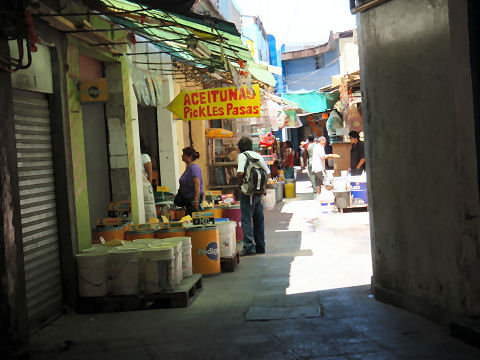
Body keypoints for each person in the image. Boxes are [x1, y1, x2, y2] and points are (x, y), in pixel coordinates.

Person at [237, 137, 270, 256]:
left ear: (240, 147)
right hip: (258, 193)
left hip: (247, 193)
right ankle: (261, 246)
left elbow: (240, 172)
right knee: (258, 220)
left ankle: (249, 246)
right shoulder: (257, 155)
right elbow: (268, 173)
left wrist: (241, 187)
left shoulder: (242, 156)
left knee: (246, 219)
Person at [179, 146, 204, 216]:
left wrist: (196, 200)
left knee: (193, 218)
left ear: (189, 156)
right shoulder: (189, 167)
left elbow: (197, 183)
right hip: (189, 199)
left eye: (183, 154)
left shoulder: (193, 168)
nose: (182, 156)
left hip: (193, 199)